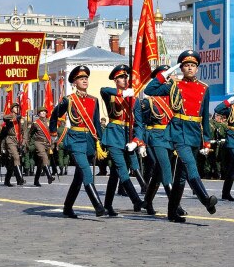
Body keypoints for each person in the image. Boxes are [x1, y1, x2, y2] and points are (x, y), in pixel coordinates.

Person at [145, 50, 217, 223]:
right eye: (186, 66)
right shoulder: (174, 84)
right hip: (178, 130)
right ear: (182, 68)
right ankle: (206, 200)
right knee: (190, 164)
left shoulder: (204, 88)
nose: (190, 68)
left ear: (197, 68)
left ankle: (172, 213)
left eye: (193, 65)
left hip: (194, 132)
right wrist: (166, 74)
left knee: (182, 176)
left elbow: (205, 116)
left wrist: (206, 140)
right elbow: (150, 89)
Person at [49, 65, 106, 217]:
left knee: (79, 177)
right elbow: (55, 115)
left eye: (86, 78)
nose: (84, 80)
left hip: (89, 140)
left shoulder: (94, 100)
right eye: (81, 78)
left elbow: (96, 123)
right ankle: (98, 206)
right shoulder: (68, 100)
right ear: (74, 82)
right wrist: (53, 133)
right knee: (86, 171)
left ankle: (67, 207)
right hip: (75, 139)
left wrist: (101, 141)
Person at [136, 65, 185, 216]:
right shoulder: (147, 102)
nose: (168, 79)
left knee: (158, 171)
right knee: (165, 169)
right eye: (165, 77)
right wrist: (141, 143)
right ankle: (175, 205)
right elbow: (140, 124)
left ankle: (147, 201)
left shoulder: (174, 98)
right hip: (156, 136)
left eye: (169, 76)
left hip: (171, 136)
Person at [100, 64, 144, 216]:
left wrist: (137, 140)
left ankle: (107, 205)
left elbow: (139, 124)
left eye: (126, 77)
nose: (124, 79)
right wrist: (122, 93)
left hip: (127, 136)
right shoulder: (111, 95)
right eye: (120, 77)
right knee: (122, 169)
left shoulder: (135, 100)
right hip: (113, 136)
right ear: (115, 80)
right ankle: (136, 200)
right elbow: (103, 90)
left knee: (115, 173)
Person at [0, 103, 27, 186]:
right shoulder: (10, 117)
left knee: (13, 162)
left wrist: (24, 142)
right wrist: (14, 117)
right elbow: (4, 117)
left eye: (18, 107)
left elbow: (25, 132)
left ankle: (7, 180)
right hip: (10, 140)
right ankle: (20, 178)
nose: (17, 109)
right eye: (15, 107)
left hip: (19, 140)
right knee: (16, 157)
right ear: (12, 109)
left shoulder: (22, 120)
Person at [28, 106, 56, 187]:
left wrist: (52, 144)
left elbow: (53, 133)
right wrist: (28, 143)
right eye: (41, 112)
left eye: (44, 112)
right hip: (39, 143)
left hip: (47, 143)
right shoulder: (35, 124)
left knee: (41, 163)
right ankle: (49, 176)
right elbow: (30, 133)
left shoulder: (49, 122)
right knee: (44, 158)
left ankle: (36, 180)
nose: (43, 113)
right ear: (39, 114)